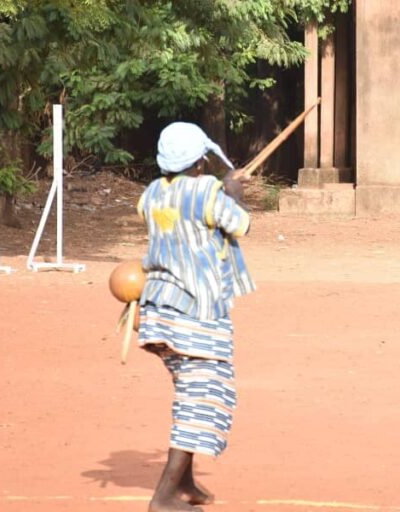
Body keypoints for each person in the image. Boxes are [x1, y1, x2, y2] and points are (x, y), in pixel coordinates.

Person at [136, 122, 255, 512]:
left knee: (190, 390)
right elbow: (241, 224)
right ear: (200, 161)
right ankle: (164, 496)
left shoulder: (152, 194)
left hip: (159, 312)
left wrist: (223, 189)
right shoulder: (208, 192)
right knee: (203, 398)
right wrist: (233, 193)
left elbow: (176, 217)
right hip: (196, 314)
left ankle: (184, 483)